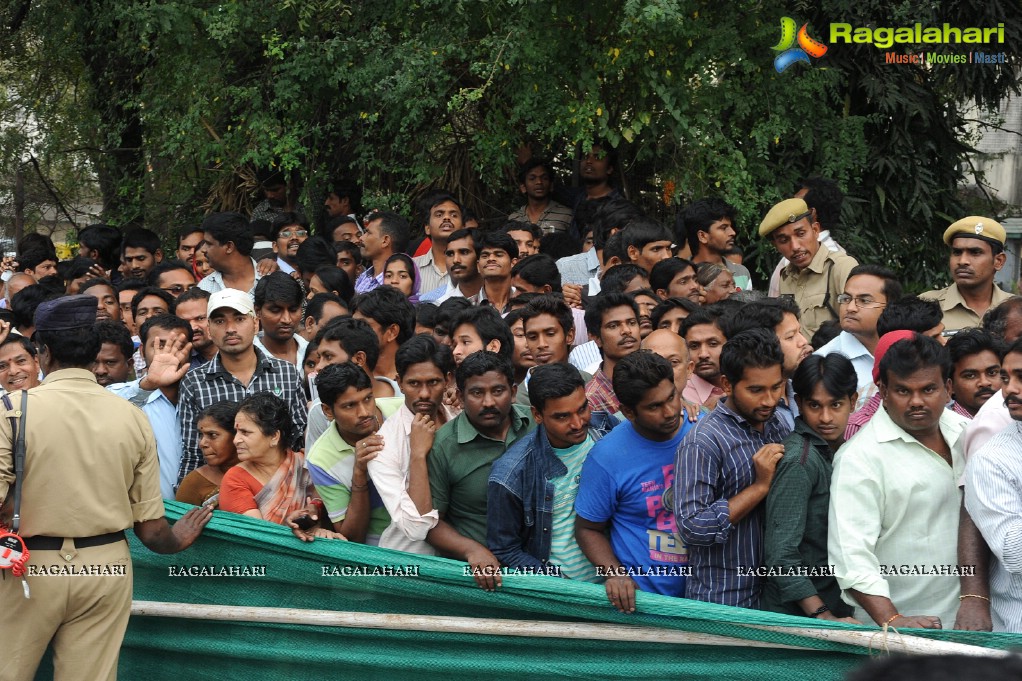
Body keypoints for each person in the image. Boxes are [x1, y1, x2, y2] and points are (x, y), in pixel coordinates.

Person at [0, 295, 211, 681]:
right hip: (107, 566)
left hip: (27, 568)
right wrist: (177, 539)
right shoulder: (132, 416)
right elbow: (151, 530)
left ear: (42, 354)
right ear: (94, 350)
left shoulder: (11, 410)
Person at [829, 333, 966, 628]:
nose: (917, 401)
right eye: (903, 391)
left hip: (974, 622)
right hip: (900, 633)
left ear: (948, 388)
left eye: (928, 389)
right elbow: (851, 557)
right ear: (884, 390)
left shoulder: (966, 433)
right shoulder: (859, 458)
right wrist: (892, 618)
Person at [675, 329, 791, 608]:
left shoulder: (780, 424)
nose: (769, 400)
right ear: (727, 385)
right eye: (755, 390)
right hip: (724, 598)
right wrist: (760, 487)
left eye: (776, 387)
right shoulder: (703, 441)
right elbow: (693, 526)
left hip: (777, 593)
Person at [576, 350, 697, 612]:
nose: (670, 412)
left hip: (709, 595)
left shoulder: (703, 429)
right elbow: (587, 529)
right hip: (646, 604)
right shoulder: (606, 458)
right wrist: (615, 574)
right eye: (654, 406)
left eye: (672, 397)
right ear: (628, 412)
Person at [488, 363, 615, 579]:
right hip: (561, 594)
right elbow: (505, 549)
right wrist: (555, 583)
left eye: (583, 408)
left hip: (621, 582)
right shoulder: (510, 474)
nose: (577, 423)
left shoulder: (606, 429)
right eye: (562, 417)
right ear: (537, 415)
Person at [762, 354, 860, 622]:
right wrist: (822, 616)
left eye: (836, 404)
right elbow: (781, 556)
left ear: (854, 401)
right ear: (799, 403)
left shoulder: (839, 451)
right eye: (815, 405)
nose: (826, 417)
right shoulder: (800, 461)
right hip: (799, 619)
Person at [176, 288, 307, 485]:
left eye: (239, 319)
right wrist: (186, 502)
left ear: (255, 324)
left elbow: (299, 442)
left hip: (284, 488)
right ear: (209, 329)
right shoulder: (194, 382)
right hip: (222, 496)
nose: (230, 329)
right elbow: (194, 452)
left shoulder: (286, 374)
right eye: (220, 321)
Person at [426, 351, 534, 590]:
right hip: (483, 577)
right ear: (461, 398)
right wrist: (472, 550)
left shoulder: (536, 423)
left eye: (498, 391)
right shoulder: (443, 447)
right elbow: (431, 523)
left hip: (542, 567)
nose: (488, 402)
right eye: (477, 393)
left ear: (513, 392)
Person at [368, 336, 459, 554]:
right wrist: (417, 454)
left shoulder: (460, 417)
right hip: (410, 561)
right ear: (399, 382)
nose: (424, 394)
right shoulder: (383, 446)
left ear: (447, 380)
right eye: (414, 383)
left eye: (433, 383)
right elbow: (416, 528)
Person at [306, 362, 404, 544]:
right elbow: (351, 538)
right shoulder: (321, 460)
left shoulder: (402, 411)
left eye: (368, 399)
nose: (364, 412)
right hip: (379, 546)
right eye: (350, 406)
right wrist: (359, 472)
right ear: (328, 411)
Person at [964, 338, 1022, 632]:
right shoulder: (992, 459)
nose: (1010, 389)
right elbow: (1014, 552)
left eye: (1020, 377)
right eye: (1006, 377)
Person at [220, 393, 332, 535]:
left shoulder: (306, 466)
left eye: (245, 432)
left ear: (274, 436)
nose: (236, 440)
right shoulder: (235, 479)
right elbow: (259, 536)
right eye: (237, 432)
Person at [760, 197, 859, 338]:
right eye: (784, 240)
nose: (795, 246)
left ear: (815, 229)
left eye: (801, 234)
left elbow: (860, 327)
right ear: (775, 245)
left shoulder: (841, 267)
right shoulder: (785, 277)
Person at [815, 264, 902, 410]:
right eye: (846, 299)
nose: (850, 308)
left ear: (890, 307)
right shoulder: (823, 361)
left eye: (864, 301)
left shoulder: (907, 350)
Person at [920, 216, 1012, 334]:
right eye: (957, 252)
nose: (962, 261)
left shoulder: (1015, 309)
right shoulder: (925, 306)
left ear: (998, 261)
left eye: (975, 252)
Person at [583, 292, 640, 415]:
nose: (626, 331)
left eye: (632, 322)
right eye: (613, 326)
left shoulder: (656, 382)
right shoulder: (590, 403)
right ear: (596, 338)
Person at [175, 401, 240, 507]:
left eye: (212, 435)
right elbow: (181, 522)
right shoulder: (194, 483)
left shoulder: (262, 473)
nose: (202, 443)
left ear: (237, 436)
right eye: (201, 435)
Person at [352, 285, 414, 393]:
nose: (353, 331)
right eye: (352, 325)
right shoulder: (349, 377)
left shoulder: (415, 380)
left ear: (392, 332)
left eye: (363, 324)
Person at [683, 198, 752, 290]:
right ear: (702, 236)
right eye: (723, 228)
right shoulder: (682, 275)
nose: (732, 232)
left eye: (730, 226)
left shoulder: (741, 272)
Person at [252, 271, 308, 369]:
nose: (286, 319)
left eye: (293, 310)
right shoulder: (248, 356)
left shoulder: (312, 352)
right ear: (258, 311)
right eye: (275, 311)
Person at [197, 212, 261, 296]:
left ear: (229, 247)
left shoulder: (271, 280)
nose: (203, 250)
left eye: (209, 244)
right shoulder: (205, 288)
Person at [946, 329, 1004, 418]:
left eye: (992, 373)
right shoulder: (940, 428)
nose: (984, 383)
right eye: (970, 376)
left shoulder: (1016, 418)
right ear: (950, 386)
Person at [413, 194, 463, 294]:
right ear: (427, 228)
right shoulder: (411, 267)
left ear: (463, 227)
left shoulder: (475, 269)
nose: (447, 218)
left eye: (454, 215)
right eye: (439, 215)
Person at [508, 159, 573, 234]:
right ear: (523, 187)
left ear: (551, 185)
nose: (539, 182)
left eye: (544, 178)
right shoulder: (514, 218)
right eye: (532, 178)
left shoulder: (566, 215)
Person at [681, 307, 727, 410]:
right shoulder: (679, 395)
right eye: (694, 346)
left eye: (713, 344)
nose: (703, 354)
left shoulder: (745, 384)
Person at [356, 210, 410, 294]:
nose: (361, 238)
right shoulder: (364, 277)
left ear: (385, 241)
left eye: (368, 233)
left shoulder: (397, 286)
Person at [421, 229, 481, 304]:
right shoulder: (431, 302)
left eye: (464, 252)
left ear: (480, 257)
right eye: (450, 254)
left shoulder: (497, 297)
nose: (455, 260)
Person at [174, 286, 216, 366]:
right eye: (184, 322)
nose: (193, 327)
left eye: (200, 318)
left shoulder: (239, 351)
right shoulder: (178, 362)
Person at [92, 320, 134, 388]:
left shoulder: (146, 397)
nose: (100, 371)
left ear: (129, 365)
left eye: (110, 362)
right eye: (93, 362)